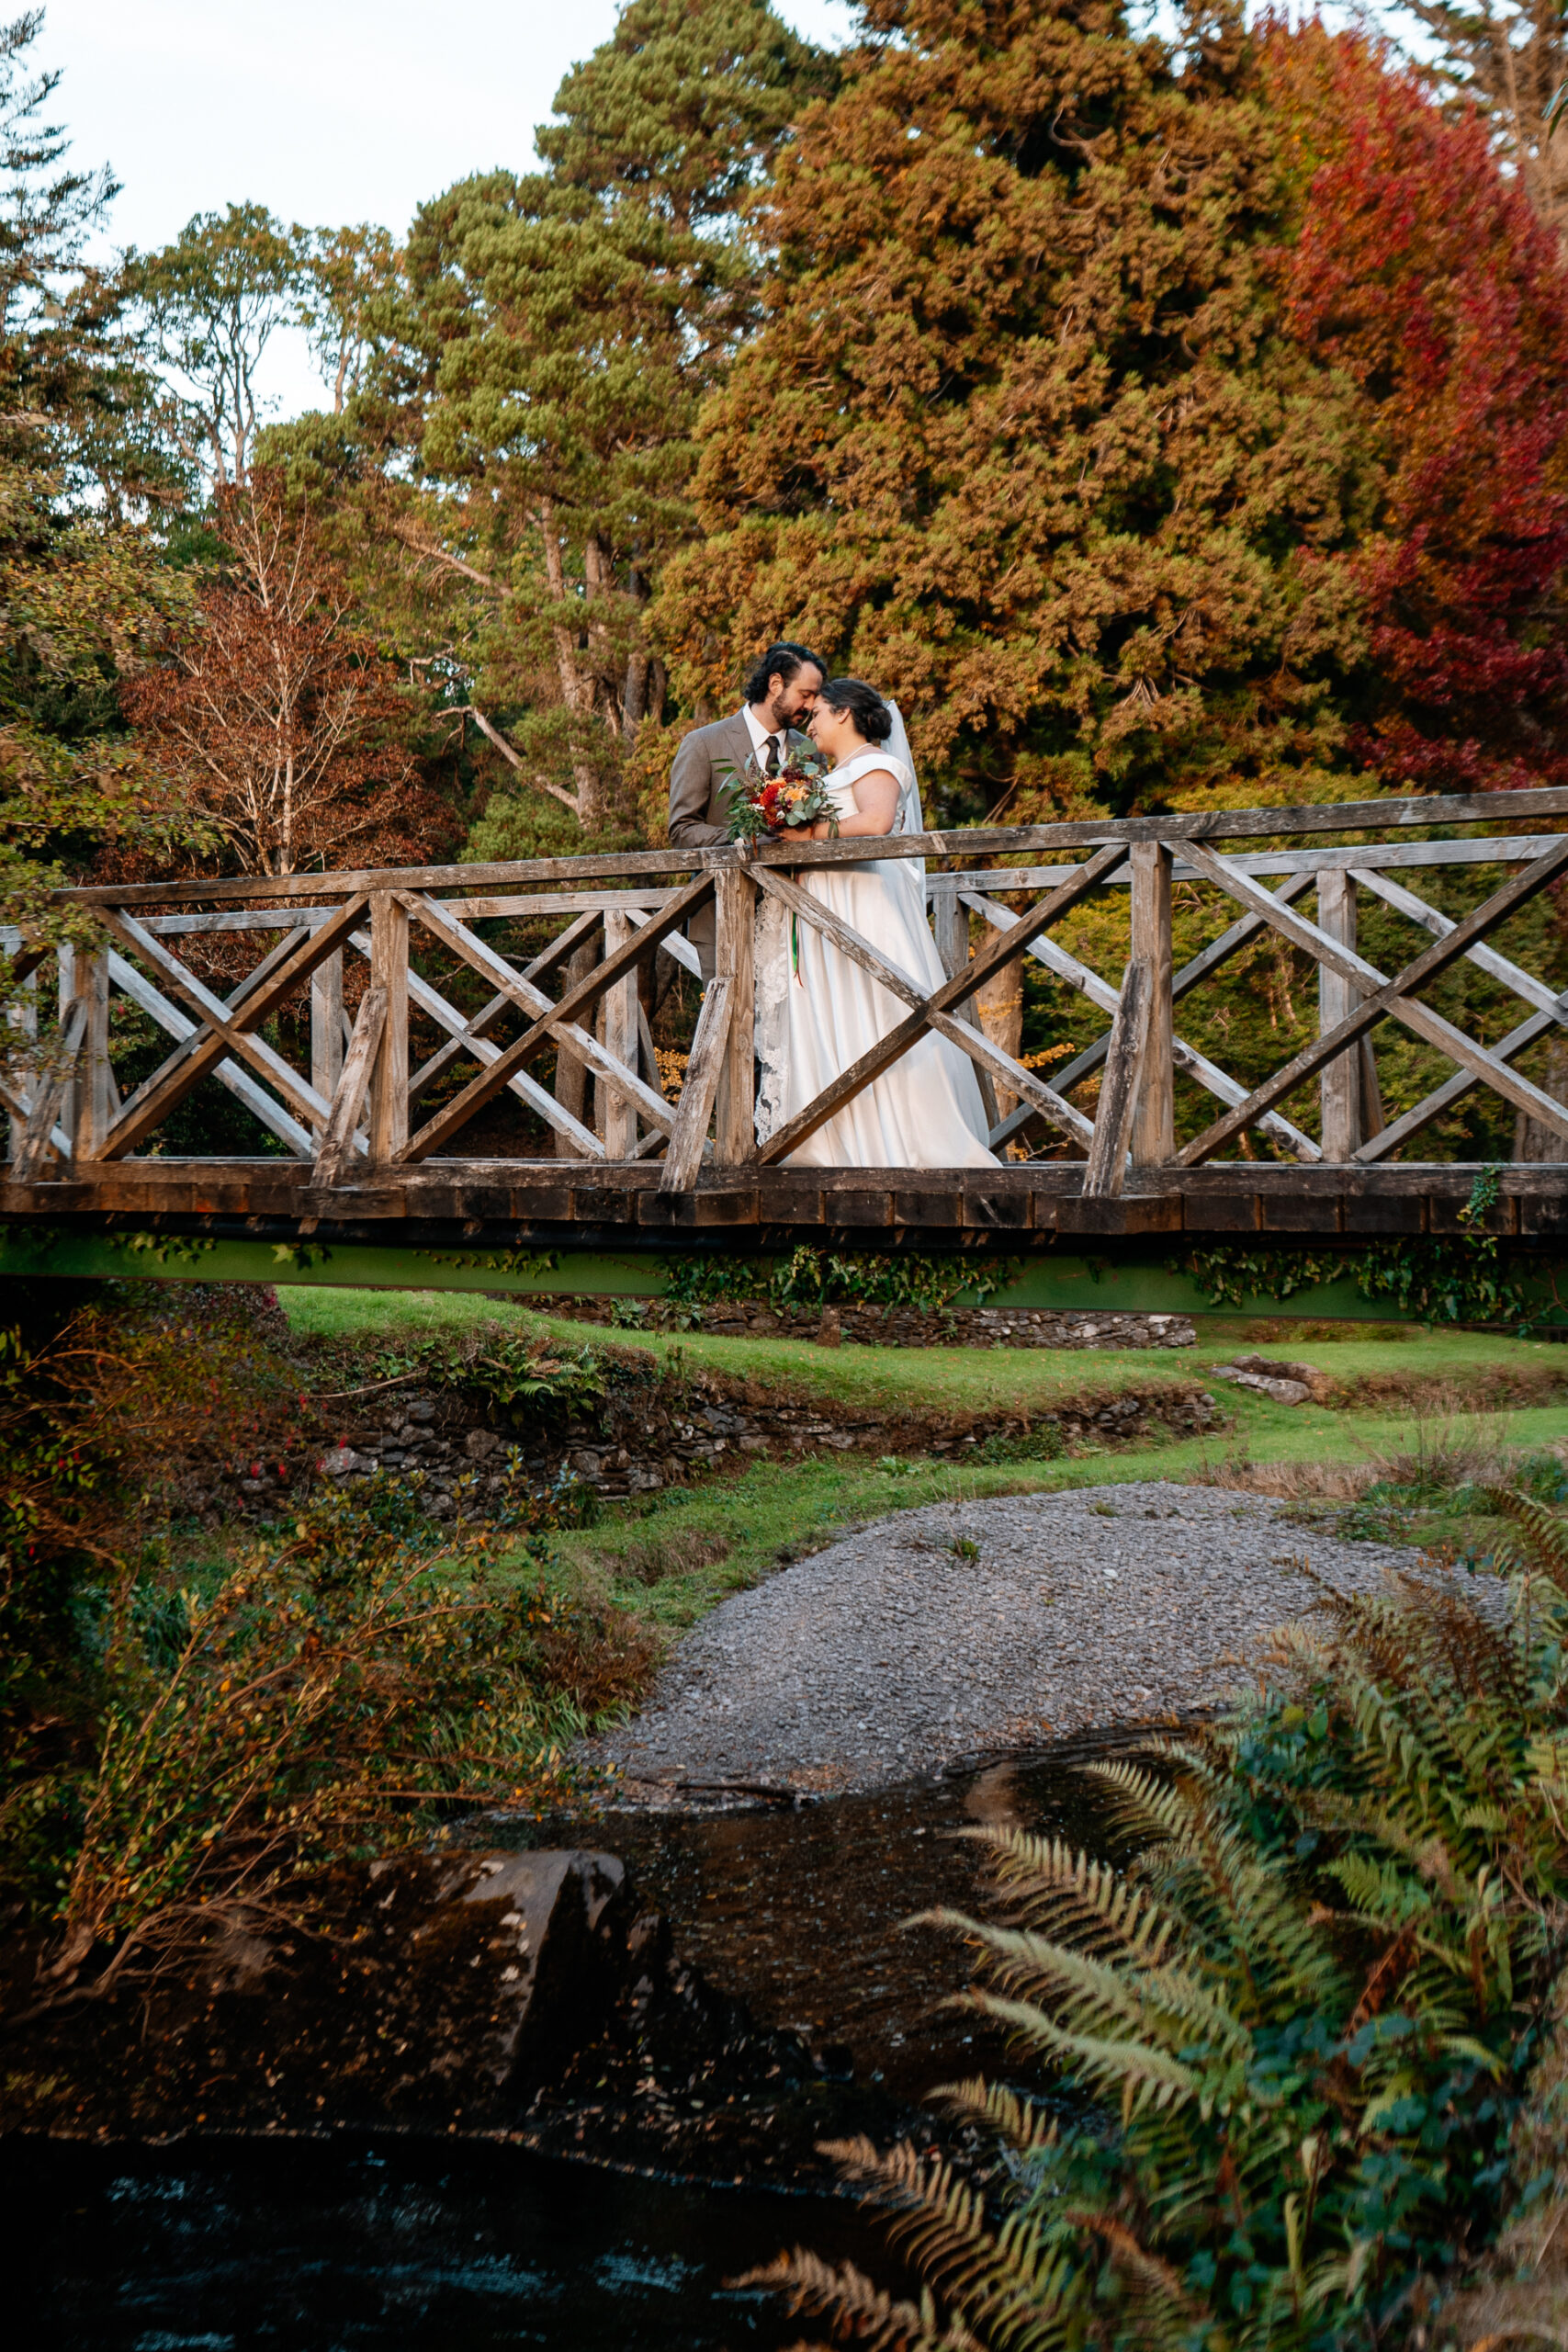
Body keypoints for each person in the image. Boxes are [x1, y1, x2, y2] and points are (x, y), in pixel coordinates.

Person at [754, 677, 998, 1169]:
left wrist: (808, 835)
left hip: (862, 905)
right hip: (826, 906)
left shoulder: (875, 764)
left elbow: (877, 822)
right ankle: (836, 1138)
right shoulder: (829, 773)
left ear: (844, 713)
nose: (812, 723)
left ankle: (904, 1140)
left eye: (818, 712)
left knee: (879, 1012)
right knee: (831, 1012)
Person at [668, 641, 825, 978]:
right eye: (806, 694)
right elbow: (682, 830)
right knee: (730, 1026)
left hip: (799, 921)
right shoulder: (703, 744)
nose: (811, 706)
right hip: (722, 917)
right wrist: (745, 838)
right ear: (775, 684)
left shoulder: (811, 753)